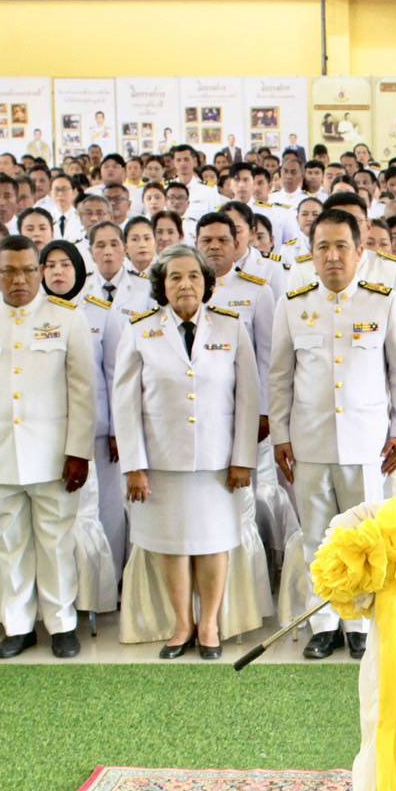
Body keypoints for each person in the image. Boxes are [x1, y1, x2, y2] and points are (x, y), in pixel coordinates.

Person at [268, 209, 396, 660]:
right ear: (311, 255)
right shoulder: (292, 303)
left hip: (366, 441)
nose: (332, 256)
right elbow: (279, 376)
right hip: (309, 441)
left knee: (363, 536)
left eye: (341, 247)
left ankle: (359, 623)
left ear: (360, 252)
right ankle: (323, 621)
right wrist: (280, 435)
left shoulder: (381, 298)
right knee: (317, 537)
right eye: (322, 248)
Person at [0, 234, 95, 659]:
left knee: (55, 540)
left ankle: (62, 622)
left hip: (53, 455)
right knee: (9, 542)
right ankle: (18, 625)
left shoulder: (67, 318)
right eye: (9, 270)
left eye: (29, 270)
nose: (20, 279)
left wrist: (78, 451)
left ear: (40, 272)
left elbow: (83, 393)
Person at [114, 244, 259, 660]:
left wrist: (242, 458)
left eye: (194, 276)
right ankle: (182, 623)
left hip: (217, 463)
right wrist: (134, 466)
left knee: (214, 541)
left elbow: (248, 399)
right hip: (161, 462)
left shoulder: (231, 328)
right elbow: (125, 403)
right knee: (171, 543)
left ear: (206, 283)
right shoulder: (140, 329)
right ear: (162, 285)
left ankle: (210, 623)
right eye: (175, 277)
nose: (185, 285)